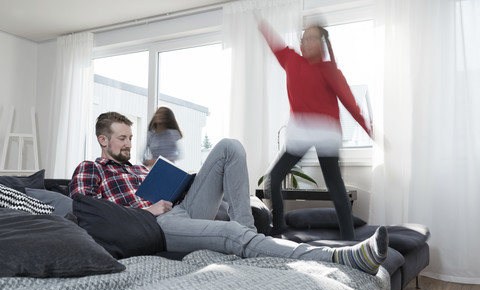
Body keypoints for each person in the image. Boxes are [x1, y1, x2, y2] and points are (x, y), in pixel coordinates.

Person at [68, 112, 387, 275]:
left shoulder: (138, 168)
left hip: (179, 209)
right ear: (102, 140)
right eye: (121, 138)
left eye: (130, 137)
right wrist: (146, 213)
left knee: (229, 147)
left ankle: (249, 238)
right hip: (156, 225)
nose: (127, 143)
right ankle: (341, 256)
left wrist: (185, 184)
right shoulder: (91, 168)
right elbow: (88, 217)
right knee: (231, 231)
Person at [258, 18, 373, 239]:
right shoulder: (292, 59)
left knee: (334, 184)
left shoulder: (330, 70)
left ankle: (349, 239)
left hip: (326, 130)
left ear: (323, 44)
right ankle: (279, 227)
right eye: (305, 38)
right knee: (274, 176)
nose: (308, 42)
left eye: (313, 38)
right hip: (301, 129)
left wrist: (369, 128)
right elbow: (275, 44)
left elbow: (350, 102)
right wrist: (262, 23)